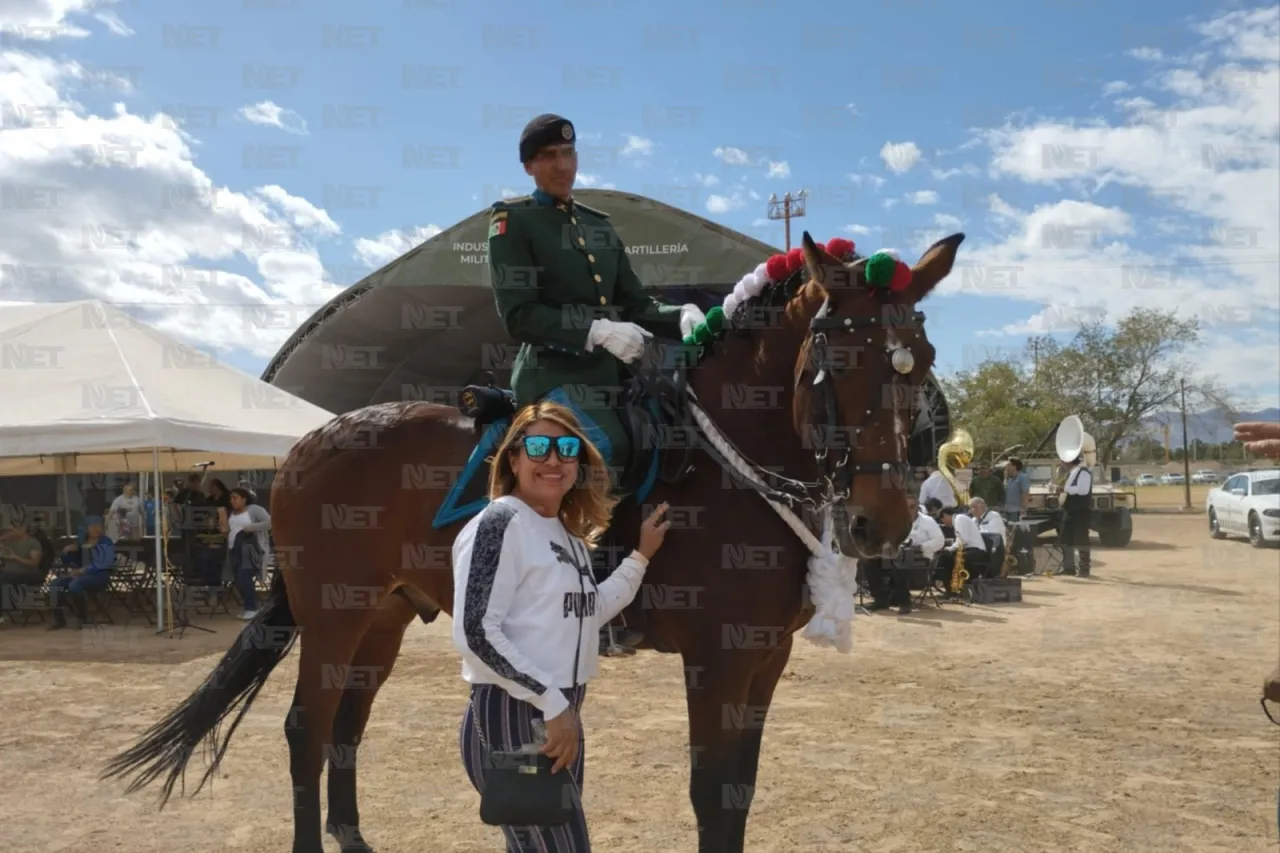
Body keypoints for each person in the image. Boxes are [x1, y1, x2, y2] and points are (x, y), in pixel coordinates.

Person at [486, 112, 703, 655]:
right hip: (552, 374)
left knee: (667, 437)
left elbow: (635, 302)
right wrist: (595, 331)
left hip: (611, 380)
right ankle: (577, 597)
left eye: (569, 154)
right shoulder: (512, 222)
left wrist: (680, 315)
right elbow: (518, 314)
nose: (562, 165)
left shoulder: (600, 224)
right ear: (531, 166)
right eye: (549, 158)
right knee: (596, 451)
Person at [452, 400, 670, 852]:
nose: (553, 459)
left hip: (557, 711)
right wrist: (551, 703)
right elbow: (475, 632)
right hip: (517, 711)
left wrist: (641, 555)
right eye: (538, 446)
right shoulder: (500, 522)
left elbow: (589, 609)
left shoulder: (566, 536)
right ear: (513, 458)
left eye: (566, 448)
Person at [865, 495, 945, 614]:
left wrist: (921, 546)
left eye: (912, 507)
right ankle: (880, 598)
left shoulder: (927, 522)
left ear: (917, 507)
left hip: (920, 557)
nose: (909, 510)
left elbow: (940, 541)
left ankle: (904, 602)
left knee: (902, 558)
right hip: (897, 555)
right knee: (869, 560)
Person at [48, 516, 115, 629]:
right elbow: (72, 562)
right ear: (87, 528)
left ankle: (82, 618)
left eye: (99, 526)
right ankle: (59, 620)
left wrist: (83, 570)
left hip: (99, 575)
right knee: (55, 584)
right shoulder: (82, 542)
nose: (97, 529)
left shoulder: (105, 542)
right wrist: (67, 552)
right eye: (93, 527)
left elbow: (102, 563)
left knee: (75, 585)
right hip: (82, 574)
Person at [226, 488, 272, 620]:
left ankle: (252, 608)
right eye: (231, 498)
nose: (232, 501)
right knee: (238, 579)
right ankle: (249, 605)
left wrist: (250, 528)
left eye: (235, 498)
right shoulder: (232, 513)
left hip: (250, 549)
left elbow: (269, 523)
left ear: (244, 499)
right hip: (234, 549)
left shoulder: (254, 509)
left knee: (244, 575)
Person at [1057, 452, 1092, 577]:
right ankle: (1068, 568)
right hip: (1069, 510)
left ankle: (1084, 568)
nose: (1061, 464)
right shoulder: (1071, 474)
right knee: (1065, 539)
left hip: (1081, 511)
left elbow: (1083, 490)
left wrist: (1065, 489)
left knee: (1081, 539)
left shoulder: (1083, 473)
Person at [937, 506, 989, 583]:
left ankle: (956, 585)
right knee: (945, 557)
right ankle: (949, 585)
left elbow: (963, 540)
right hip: (969, 549)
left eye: (943, 521)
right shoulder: (959, 519)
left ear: (945, 515)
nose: (944, 524)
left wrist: (950, 548)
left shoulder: (960, 519)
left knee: (950, 558)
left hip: (976, 551)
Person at [1002, 457, 1030, 522]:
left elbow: (1025, 493)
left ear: (1014, 466)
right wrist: (1005, 478)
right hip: (1007, 509)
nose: (1007, 467)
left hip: (1017, 511)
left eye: (1009, 465)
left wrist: (1023, 508)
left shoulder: (1023, 477)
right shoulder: (1010, 479)